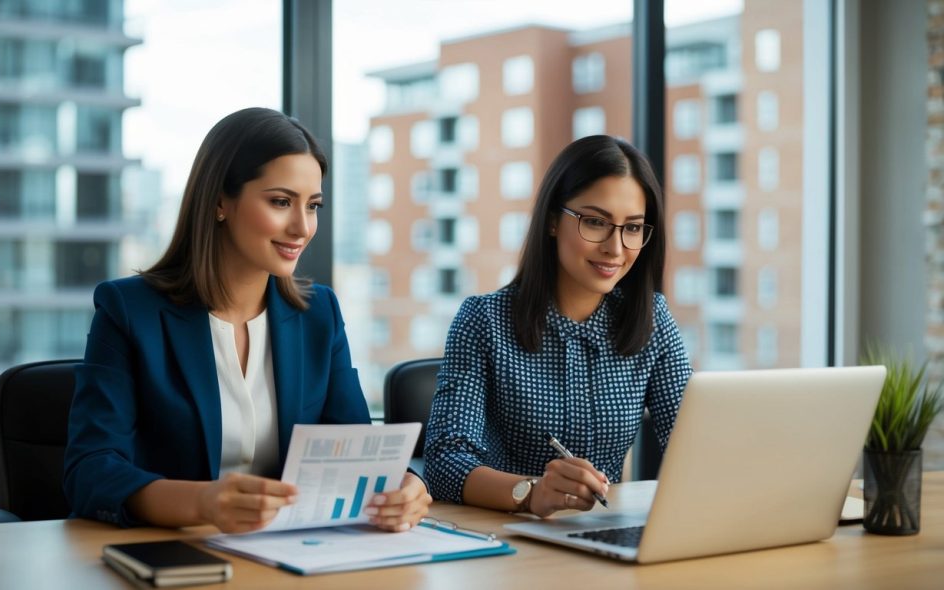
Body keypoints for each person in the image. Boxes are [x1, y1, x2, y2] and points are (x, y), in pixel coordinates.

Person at [64, 107, 430, 533]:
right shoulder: (129, 310)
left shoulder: (319, 314)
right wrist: (203, 502)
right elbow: (89, 470)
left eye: (313, 206)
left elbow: (357, 455)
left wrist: (402, 485)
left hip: (289, 553)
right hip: (172, 552)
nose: (302, 227)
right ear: (220, 200)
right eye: (280, 202)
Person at [423, 135, 692, 517]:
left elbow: (693, 443)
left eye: (632, 228)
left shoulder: (652, 319)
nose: (615, 248)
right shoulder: (483, 321)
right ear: (552, 220)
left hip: (603, 533)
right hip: (507, 539)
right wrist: (533, 493)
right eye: (595, 222)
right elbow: (444, 462)